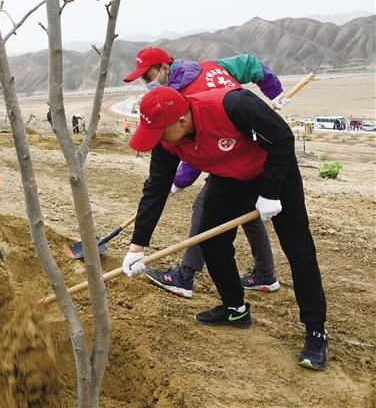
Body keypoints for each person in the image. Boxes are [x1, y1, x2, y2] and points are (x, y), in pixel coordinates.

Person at [122, 85, 328, 371]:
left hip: (274, 171)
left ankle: (316, 332)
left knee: (299, 251)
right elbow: (155, 190)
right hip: (229, 176)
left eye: (159, 133)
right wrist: (137, 247)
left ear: (181, 121)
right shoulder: (167, 139)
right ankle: (235, 309)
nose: (156, 140)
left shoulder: (233, 104)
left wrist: (269, 192)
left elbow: (282, 139)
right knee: (212, 239)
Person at [124, 47, 288, 298]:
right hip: (235, 157)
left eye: (148, 76)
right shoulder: (204, 68)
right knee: (245, 209)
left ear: (165, 68)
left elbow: (204, 147)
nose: (146, 83)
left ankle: (185, 275)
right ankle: (265, 274)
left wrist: (273, 90)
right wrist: (272, 90)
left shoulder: (190, 96)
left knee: (206, 207)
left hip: (243, 152)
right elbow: (248, 63)